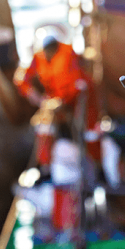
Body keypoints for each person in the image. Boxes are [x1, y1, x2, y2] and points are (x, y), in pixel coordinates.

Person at [16, 34, 100, 164]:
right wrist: (35, 96)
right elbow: (21, 79)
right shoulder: (38, 57)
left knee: (90, 131)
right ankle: (46, 166)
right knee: (43, 125)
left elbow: (76, 83)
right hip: (54, 101)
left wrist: (62, 102)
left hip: (78, 99)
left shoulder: (68, 54)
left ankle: (95, 163)